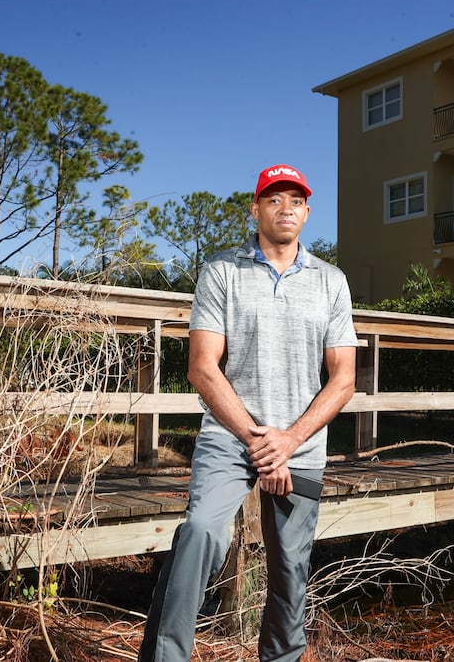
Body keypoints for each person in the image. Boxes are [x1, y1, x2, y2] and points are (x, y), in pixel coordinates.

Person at [139, 164, 358, 661]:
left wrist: (288, 442)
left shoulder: (331, 282)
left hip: (298, 445)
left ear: (307, 211)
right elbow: (202, 368)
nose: (286, 209)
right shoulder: (221, 270)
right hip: (230, 437)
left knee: (290, 569)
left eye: (295, 201)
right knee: (201, 534)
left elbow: (343, 378)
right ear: (255, 209)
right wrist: (262, 444)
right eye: (274, 199)